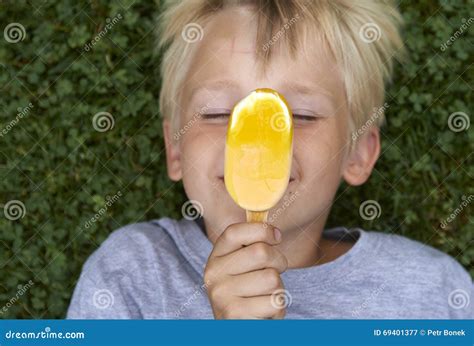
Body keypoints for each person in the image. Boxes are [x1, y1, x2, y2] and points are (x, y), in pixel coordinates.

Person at [67, 0, 472, 319]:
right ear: (174, 149)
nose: (254, 143)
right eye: (217, 113)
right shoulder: (133, 275)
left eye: (301, 115)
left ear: (358, 153)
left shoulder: (431, 291)